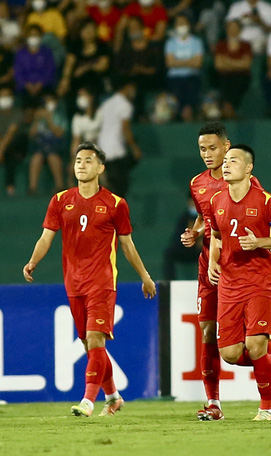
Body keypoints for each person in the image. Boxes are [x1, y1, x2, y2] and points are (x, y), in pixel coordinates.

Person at [23, 141, 157, 417]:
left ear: (100, 167)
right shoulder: (60, 200)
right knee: (88, 344)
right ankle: (113, 396)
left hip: (102, 282)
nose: (81, 165)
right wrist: (33, 261)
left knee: (95, 340)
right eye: (78, 161)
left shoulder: (115, 204)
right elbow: (47, 236)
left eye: (87, 161)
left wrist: (145, 276)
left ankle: (87, 400)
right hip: (73, 283)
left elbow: (127, 245)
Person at [180, 123, 271, 420]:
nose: (208, 155)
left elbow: (268, 224)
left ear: (227, 147)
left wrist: (261, 245)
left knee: (253, 343)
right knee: (210, 334)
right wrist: (195, 233)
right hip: (214, 266)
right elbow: (210, 223)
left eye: (213, 148)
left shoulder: (254, 190)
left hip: (250, 271)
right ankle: (215, 402)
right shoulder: (198, 184)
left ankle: (263, 401)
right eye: (202, 149)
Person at [208, 145, 271, 421]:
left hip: (260, 280)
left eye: (233, 160)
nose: (226, 164)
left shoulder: (265, 201)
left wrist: (261, 242)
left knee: (256, 345)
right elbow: (216, 235)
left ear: (248, 168)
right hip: (229, 283)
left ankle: (266, 408)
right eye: (225, 161)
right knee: (230, 353)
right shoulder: (216, 201)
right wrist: (213, 261)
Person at [97, 80, 142, 198]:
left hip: (103, 151)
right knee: (119, 193)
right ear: (126, 87)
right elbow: (125, 129)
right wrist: (135, 148)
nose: (134, 92)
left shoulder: (106, 104)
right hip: (116, 153)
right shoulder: (125, 105)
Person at [164, 14, 204, 121]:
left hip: (192, 77)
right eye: (178, 23)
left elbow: (198, 63)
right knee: (176, 94)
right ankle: (180, 114)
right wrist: (189, 61)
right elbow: (170, 63)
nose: (181, 26)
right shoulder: (170, 43)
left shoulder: (196, 42)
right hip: (174, 78)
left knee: (192, 90)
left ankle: (188, 112)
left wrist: (178, 62)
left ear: (188, 25)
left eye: (183, 23)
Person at [214, 19, 253, 119]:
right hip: (224, 77)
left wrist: (228, 61)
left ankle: (228, 108)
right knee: (226, 80)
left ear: (240, 30)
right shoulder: (221, 45)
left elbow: (246, 65)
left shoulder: (246, 45)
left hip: (242, 77)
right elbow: (219, 65)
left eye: (235, 28)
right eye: (230, 28)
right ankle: (229, 109)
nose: (233, 30)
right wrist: (238, 63)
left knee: (237, 80)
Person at [27, 92, 65, 195]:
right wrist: (36, 120)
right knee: (36, 157)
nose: (48, 103)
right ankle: (32, 188)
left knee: (52, 156)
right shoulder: (39, 116)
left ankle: (60, 186)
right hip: (40, 145)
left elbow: (59, 133)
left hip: (55, 145)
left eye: (50, 101)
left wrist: (48, 119)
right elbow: (31, 134)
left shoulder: (60, 115)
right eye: (46, 101)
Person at [0, 86, 29, 196]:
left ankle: (10, 185)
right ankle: (10, 187)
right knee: (9, 153)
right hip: (6, 147)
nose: (4, 98)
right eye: (1, 96)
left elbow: (10, 133)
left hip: (18, 145)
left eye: (6, 95)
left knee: (10, 146)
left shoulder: (17, 113)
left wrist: (1, 151)